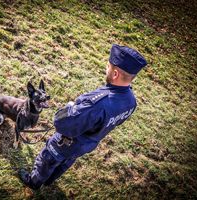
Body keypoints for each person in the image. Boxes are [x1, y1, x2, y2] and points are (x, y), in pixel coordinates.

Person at [18, 44, 147, 190]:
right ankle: (49, 180)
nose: (106, 69)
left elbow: (61, 123)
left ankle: (34, 182)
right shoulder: (131, 101)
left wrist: (69, 107)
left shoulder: (98, 103)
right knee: (66, 161)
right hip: (86, 144)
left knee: (47, 159)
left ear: (115, 74)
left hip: (66, 142)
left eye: (108, 66)